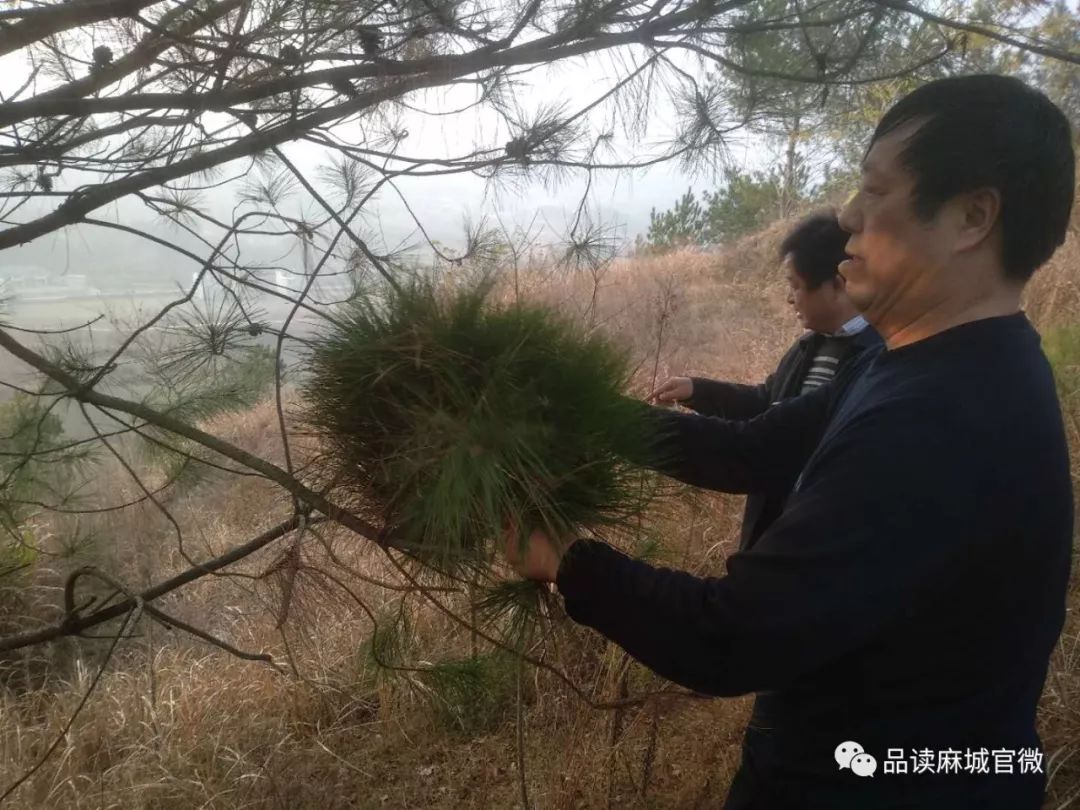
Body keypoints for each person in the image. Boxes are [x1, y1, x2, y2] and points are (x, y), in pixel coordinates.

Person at [504, 74, 1075, 809]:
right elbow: (751, 452)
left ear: (972, 216)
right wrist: (589, 415)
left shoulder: (942, 418)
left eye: (874, 192)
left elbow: (735, 636)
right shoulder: (915, 364)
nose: (846, 214)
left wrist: (567, 563)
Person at [650, 212, 881, 550]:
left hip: (822, 548)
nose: (790, 299)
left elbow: (754, 449)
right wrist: (698, 390)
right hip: (776, 531)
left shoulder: (874, 364)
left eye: (795, 286)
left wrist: (611, 420)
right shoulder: (809, 345)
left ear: (838, 283)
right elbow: (767, 402)